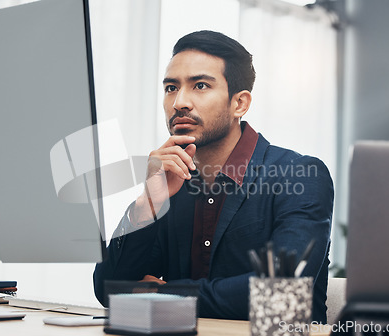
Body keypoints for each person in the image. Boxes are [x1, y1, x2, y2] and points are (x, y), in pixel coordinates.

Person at [93, 30, 333, 323]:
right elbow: (109, 291)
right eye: (171, 88)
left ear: (240, 104)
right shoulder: (172, 181)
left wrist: (167, 294)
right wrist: (148, 204)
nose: (180, 101)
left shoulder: (300, 175)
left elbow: (281, 292)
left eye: (200, 85)